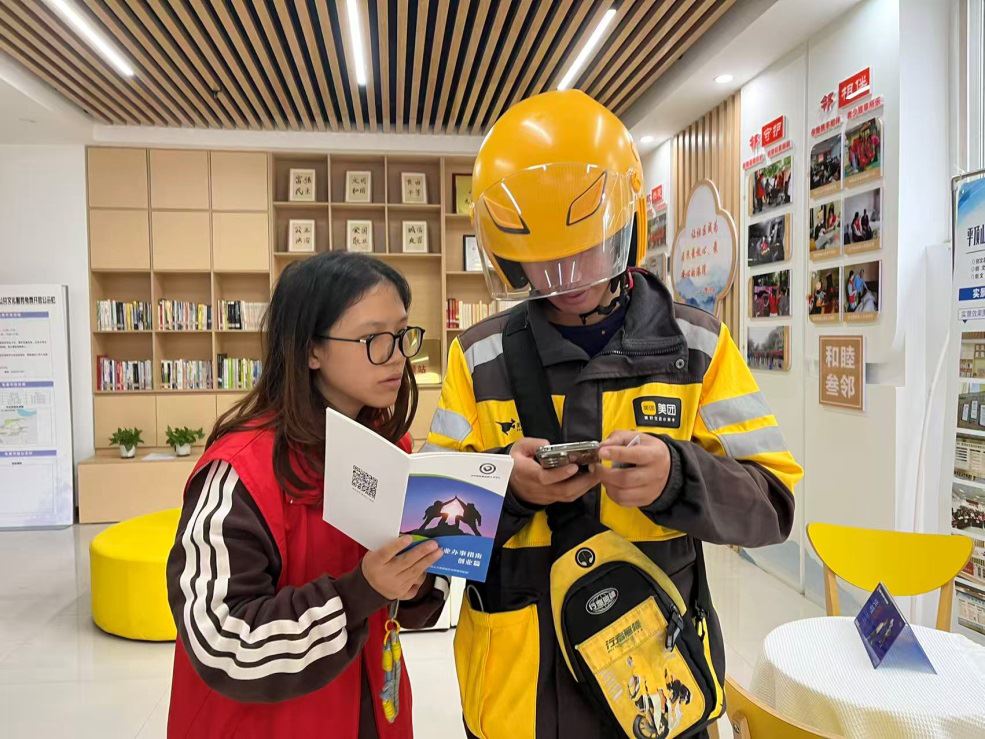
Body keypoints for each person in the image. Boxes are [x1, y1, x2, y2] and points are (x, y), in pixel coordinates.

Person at [424, 90, 802, 739]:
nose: (567, 275)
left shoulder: (698, 347)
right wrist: (506, 487)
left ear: (626, 227)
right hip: (518, 696)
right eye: (543, 259)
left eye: (587, 251)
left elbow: (772, 506)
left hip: (657, 682)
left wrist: (676, 477)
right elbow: (426, 538)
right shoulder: (478, 358)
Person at [165, 253, 449, 738]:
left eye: (403, 334)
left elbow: (401, 597)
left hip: (372, 707)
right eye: (373, 339)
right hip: (268, 724)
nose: (398, 355)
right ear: (310, 350)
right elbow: (220, 640)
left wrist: (416, 580)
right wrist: (361, 591)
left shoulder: (390, 445)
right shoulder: (239, 471)